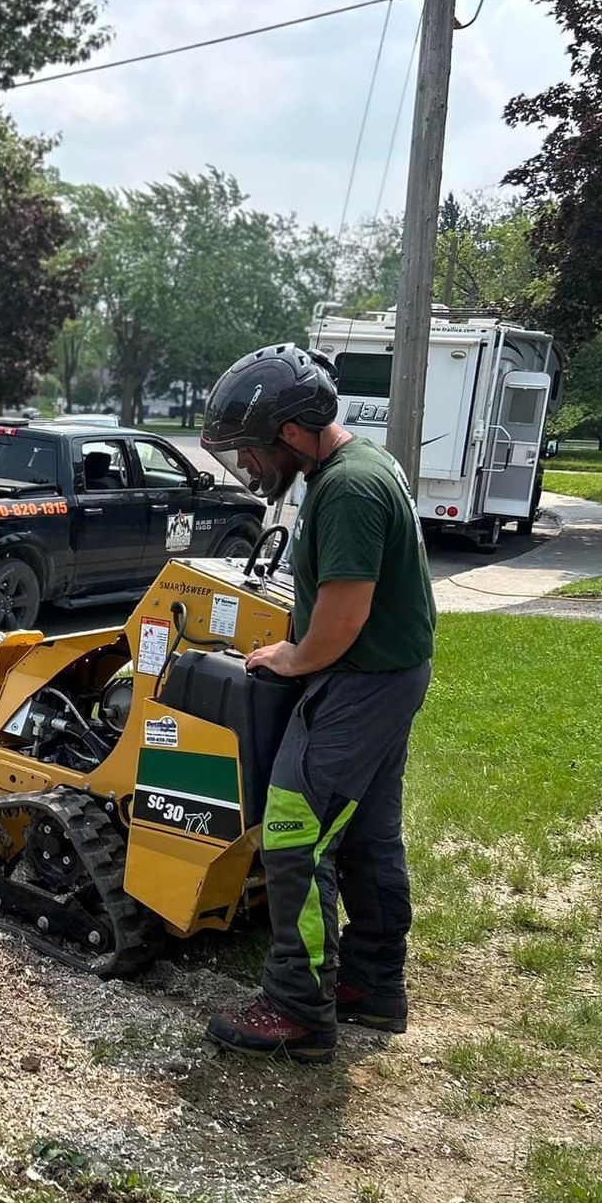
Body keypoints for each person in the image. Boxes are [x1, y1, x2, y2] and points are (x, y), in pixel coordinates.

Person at [197, 343, 436, 1062]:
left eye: (249, 451)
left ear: (292, 432)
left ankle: (297, 1009)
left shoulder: (347, 490)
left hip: (356, 681)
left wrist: (292, 656)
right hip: (386, 678)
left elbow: (343, 615)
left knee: (295, 836)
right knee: (366, 836)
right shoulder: (362, 465)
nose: (247, 467)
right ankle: (371, 983)